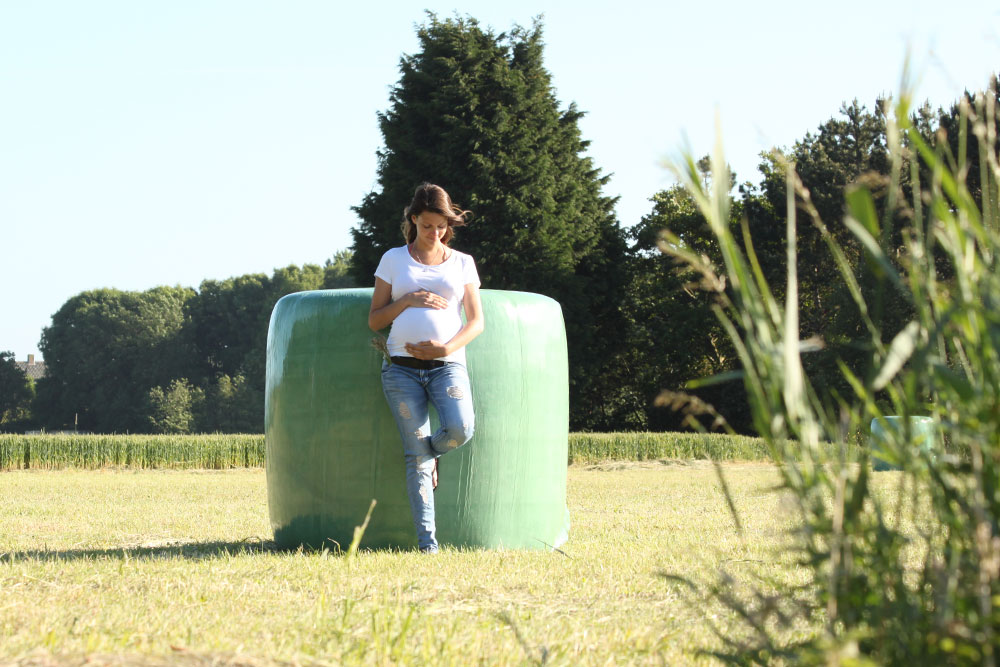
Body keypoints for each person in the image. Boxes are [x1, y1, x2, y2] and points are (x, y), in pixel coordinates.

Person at [368, 183, 484, 553]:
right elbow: (375, 320)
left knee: (461, 428)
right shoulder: (393, 259)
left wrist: (445, 347)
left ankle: (429, 453)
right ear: (414, 219)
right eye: (428, 225)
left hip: (447, 366)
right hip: (401, 371)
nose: (435, 233)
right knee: (413, 459)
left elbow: (477, 321)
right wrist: (408, 300)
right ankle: (427, 546)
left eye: (441, 227)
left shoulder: (463, 262)